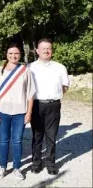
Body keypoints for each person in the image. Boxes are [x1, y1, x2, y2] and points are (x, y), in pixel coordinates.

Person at [0, 43, 35, 180]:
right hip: (3, 111)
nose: (13, 56)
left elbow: (30, 94)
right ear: (6, 54)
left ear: (20, 54)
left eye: (16, 53)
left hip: (20, 112)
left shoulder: (25, 70)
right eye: (10, 53)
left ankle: (17, 167)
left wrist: (29, 113)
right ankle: (2, 166)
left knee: (17, 141)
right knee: (4, 140)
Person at [29, 38, 70, 175]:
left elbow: (65, 86)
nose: (46, 50)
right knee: (37, 135)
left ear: (51, 50)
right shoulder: (30, 67)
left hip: (53, 105)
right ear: (37, 50)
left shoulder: (60, 67)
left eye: (49, 48)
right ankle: (36, 162)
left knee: (51, 136)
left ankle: (51, 164)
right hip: (36, 105)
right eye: (43, 48)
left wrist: (53, 96)